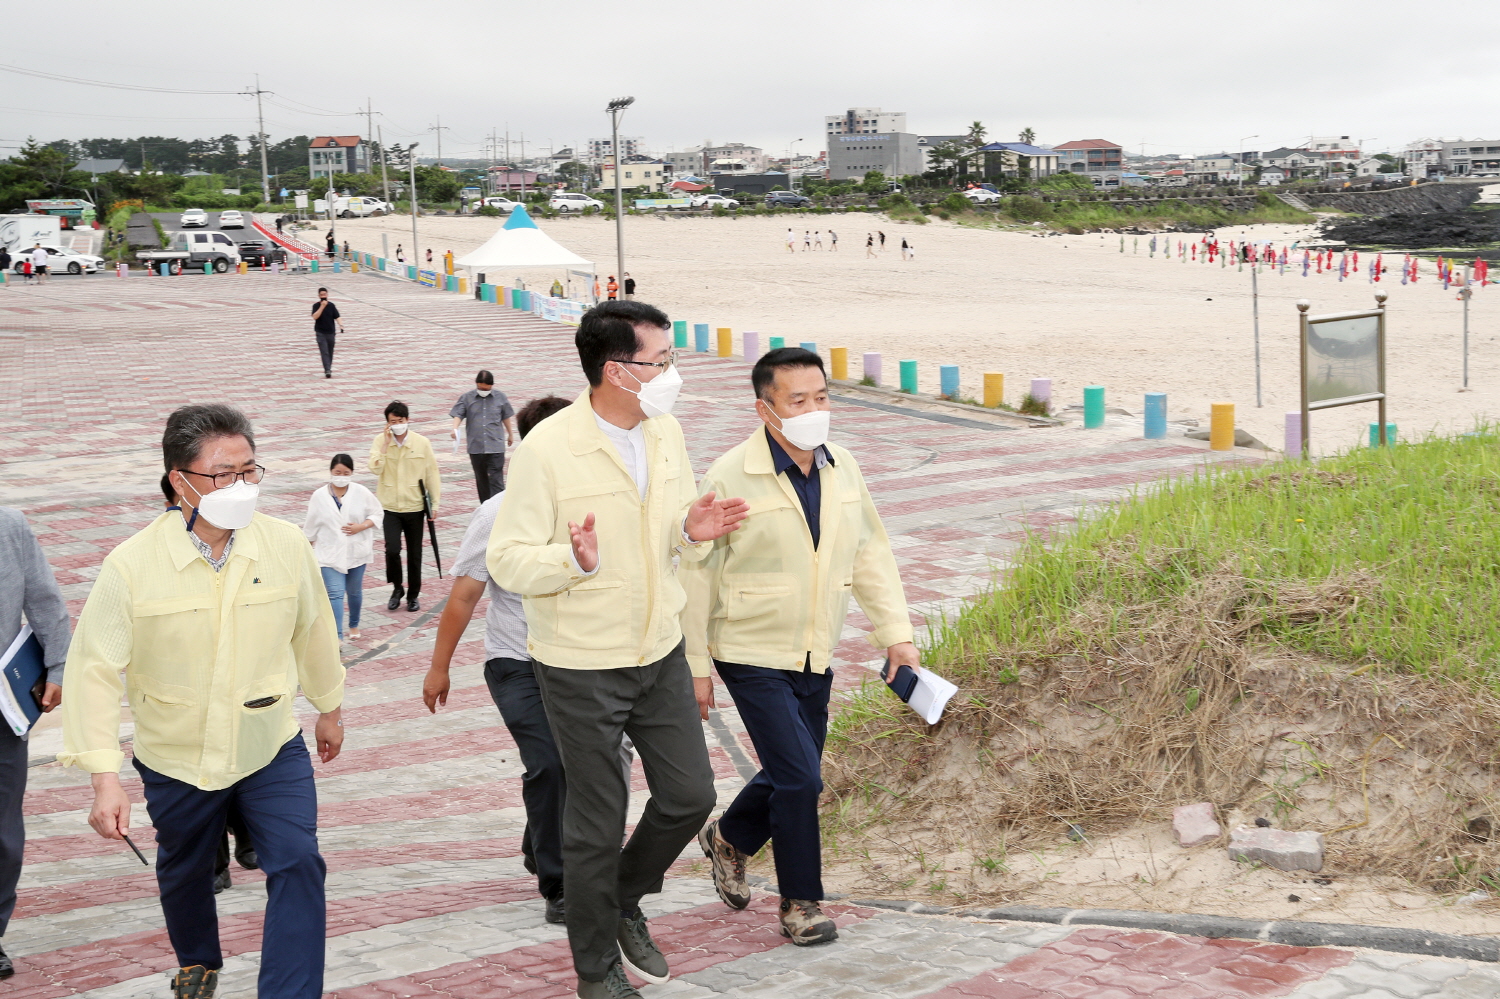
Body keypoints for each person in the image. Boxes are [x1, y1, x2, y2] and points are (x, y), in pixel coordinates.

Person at [488, 300, 749, 999]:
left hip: (656, 647)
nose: (671, 373)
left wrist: (690, 529)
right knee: (596, 820)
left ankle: (623, 896)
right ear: (615, 370)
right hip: (579, 660)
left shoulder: (664, 432)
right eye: (659, 361)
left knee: (691, 793)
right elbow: (507, 560)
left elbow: (666, 534)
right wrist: (573, 561)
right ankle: (595, 966)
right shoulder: (548, 449)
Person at [60, 403, 345, 999]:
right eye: (222, 474)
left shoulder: (284, 545)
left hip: (268, 743)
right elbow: (93, 671)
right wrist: (102, 777)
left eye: (249, 471)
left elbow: (313, 630)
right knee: (186, 869)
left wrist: (329, 706)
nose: (239, 486)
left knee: (297, 861)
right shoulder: (131, 566)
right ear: (179, 479)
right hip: (176, 754)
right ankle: (198, 959)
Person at [684, 347, 916, 946]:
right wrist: (695, 666)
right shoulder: (731, 474)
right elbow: (698, 572)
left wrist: (898, 635)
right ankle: (800, 903)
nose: (814, 410)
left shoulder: (844, 468)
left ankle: (731, 835)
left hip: (815, 650)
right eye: (798, 400)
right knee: (799, 781)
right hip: (748, 647)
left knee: (799, 770)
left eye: (821, 397)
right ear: (765, 408)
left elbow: (870, 553)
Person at [423, 394, 572, 925]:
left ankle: (539, 844)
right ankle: (558, 884)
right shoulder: (498, 513)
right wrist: (439, 667)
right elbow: (463, 596)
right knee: (551, 762)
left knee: (577, 767)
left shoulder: (599, 505)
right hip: (515, 661)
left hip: (579, 662)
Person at [153, 475, 258, 895]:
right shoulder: (155, 551)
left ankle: (248, 838)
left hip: (239, 685)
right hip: (186, 695)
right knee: (203, 784)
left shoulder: (238, 538)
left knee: (242, 770)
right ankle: (216, 866)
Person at [0, 508, 70, 980]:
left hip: (2, 712)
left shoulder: (9, 526)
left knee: (2, 831)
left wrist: (58, 669)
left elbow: (45, 601)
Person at [369, 401, 440, 613]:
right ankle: (397, 588)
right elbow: (374, 468)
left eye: (400, 421)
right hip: (389, 506)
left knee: (415, 553)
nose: (397, 425)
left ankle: (413, 595)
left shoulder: (421, 443)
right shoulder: (380, 441)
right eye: (393, 422)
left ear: (407, 420)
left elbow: (432, 474)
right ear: (387, 423)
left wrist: (434, 503)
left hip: (415, 506)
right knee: (392, 550)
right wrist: (384, 445)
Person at [303, 454, 382, 642]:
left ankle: (353, 623)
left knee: (354, 592)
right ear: (331, 472)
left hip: (356, 551)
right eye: (337, 472)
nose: (341, 476)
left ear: (352, 473)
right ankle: (336, 637)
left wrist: (360, 526)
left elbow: (378, 513)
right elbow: (311, 526)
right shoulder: (319, 496)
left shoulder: (361, 492)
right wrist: (305, 549)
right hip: (328, 554)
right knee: (335, 594)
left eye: (346, 473)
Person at [450, 370, 516, 503]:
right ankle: (485, 506)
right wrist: (455, 428)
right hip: (476, 447)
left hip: (495, 445)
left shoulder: (500, 397)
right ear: (476, 384)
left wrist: (510, 433)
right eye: (480, 388)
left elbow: (506, 417)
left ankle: (498, 507)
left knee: (496, 478)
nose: (483, 390)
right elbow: (458, 414)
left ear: (492, 385)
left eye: (486, 388)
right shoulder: (467, 398)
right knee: (481, 479)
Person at [311, 287, 344, 379]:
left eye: (325, 294)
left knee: (330, 351)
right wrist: (322, 306)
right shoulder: (316, 306)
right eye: (321, 295)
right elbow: (315, 317)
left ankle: (328, 367)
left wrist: (341, 325)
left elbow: (337, 316)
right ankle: (327, 370)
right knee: (324, 351)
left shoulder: (331, 305)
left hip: (331, 332)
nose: (323, 296)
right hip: (320, 332)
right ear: (319, 296)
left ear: (327, 295)